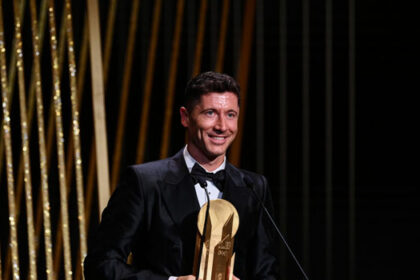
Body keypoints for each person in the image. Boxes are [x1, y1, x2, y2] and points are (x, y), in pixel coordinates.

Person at [84, 72, 280, 279]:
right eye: (210, 113)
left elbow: (267, 273)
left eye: (230, 114)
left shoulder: (254, 187)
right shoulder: (145, 182)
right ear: (185, 117)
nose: (222, 126)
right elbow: (100, 264)